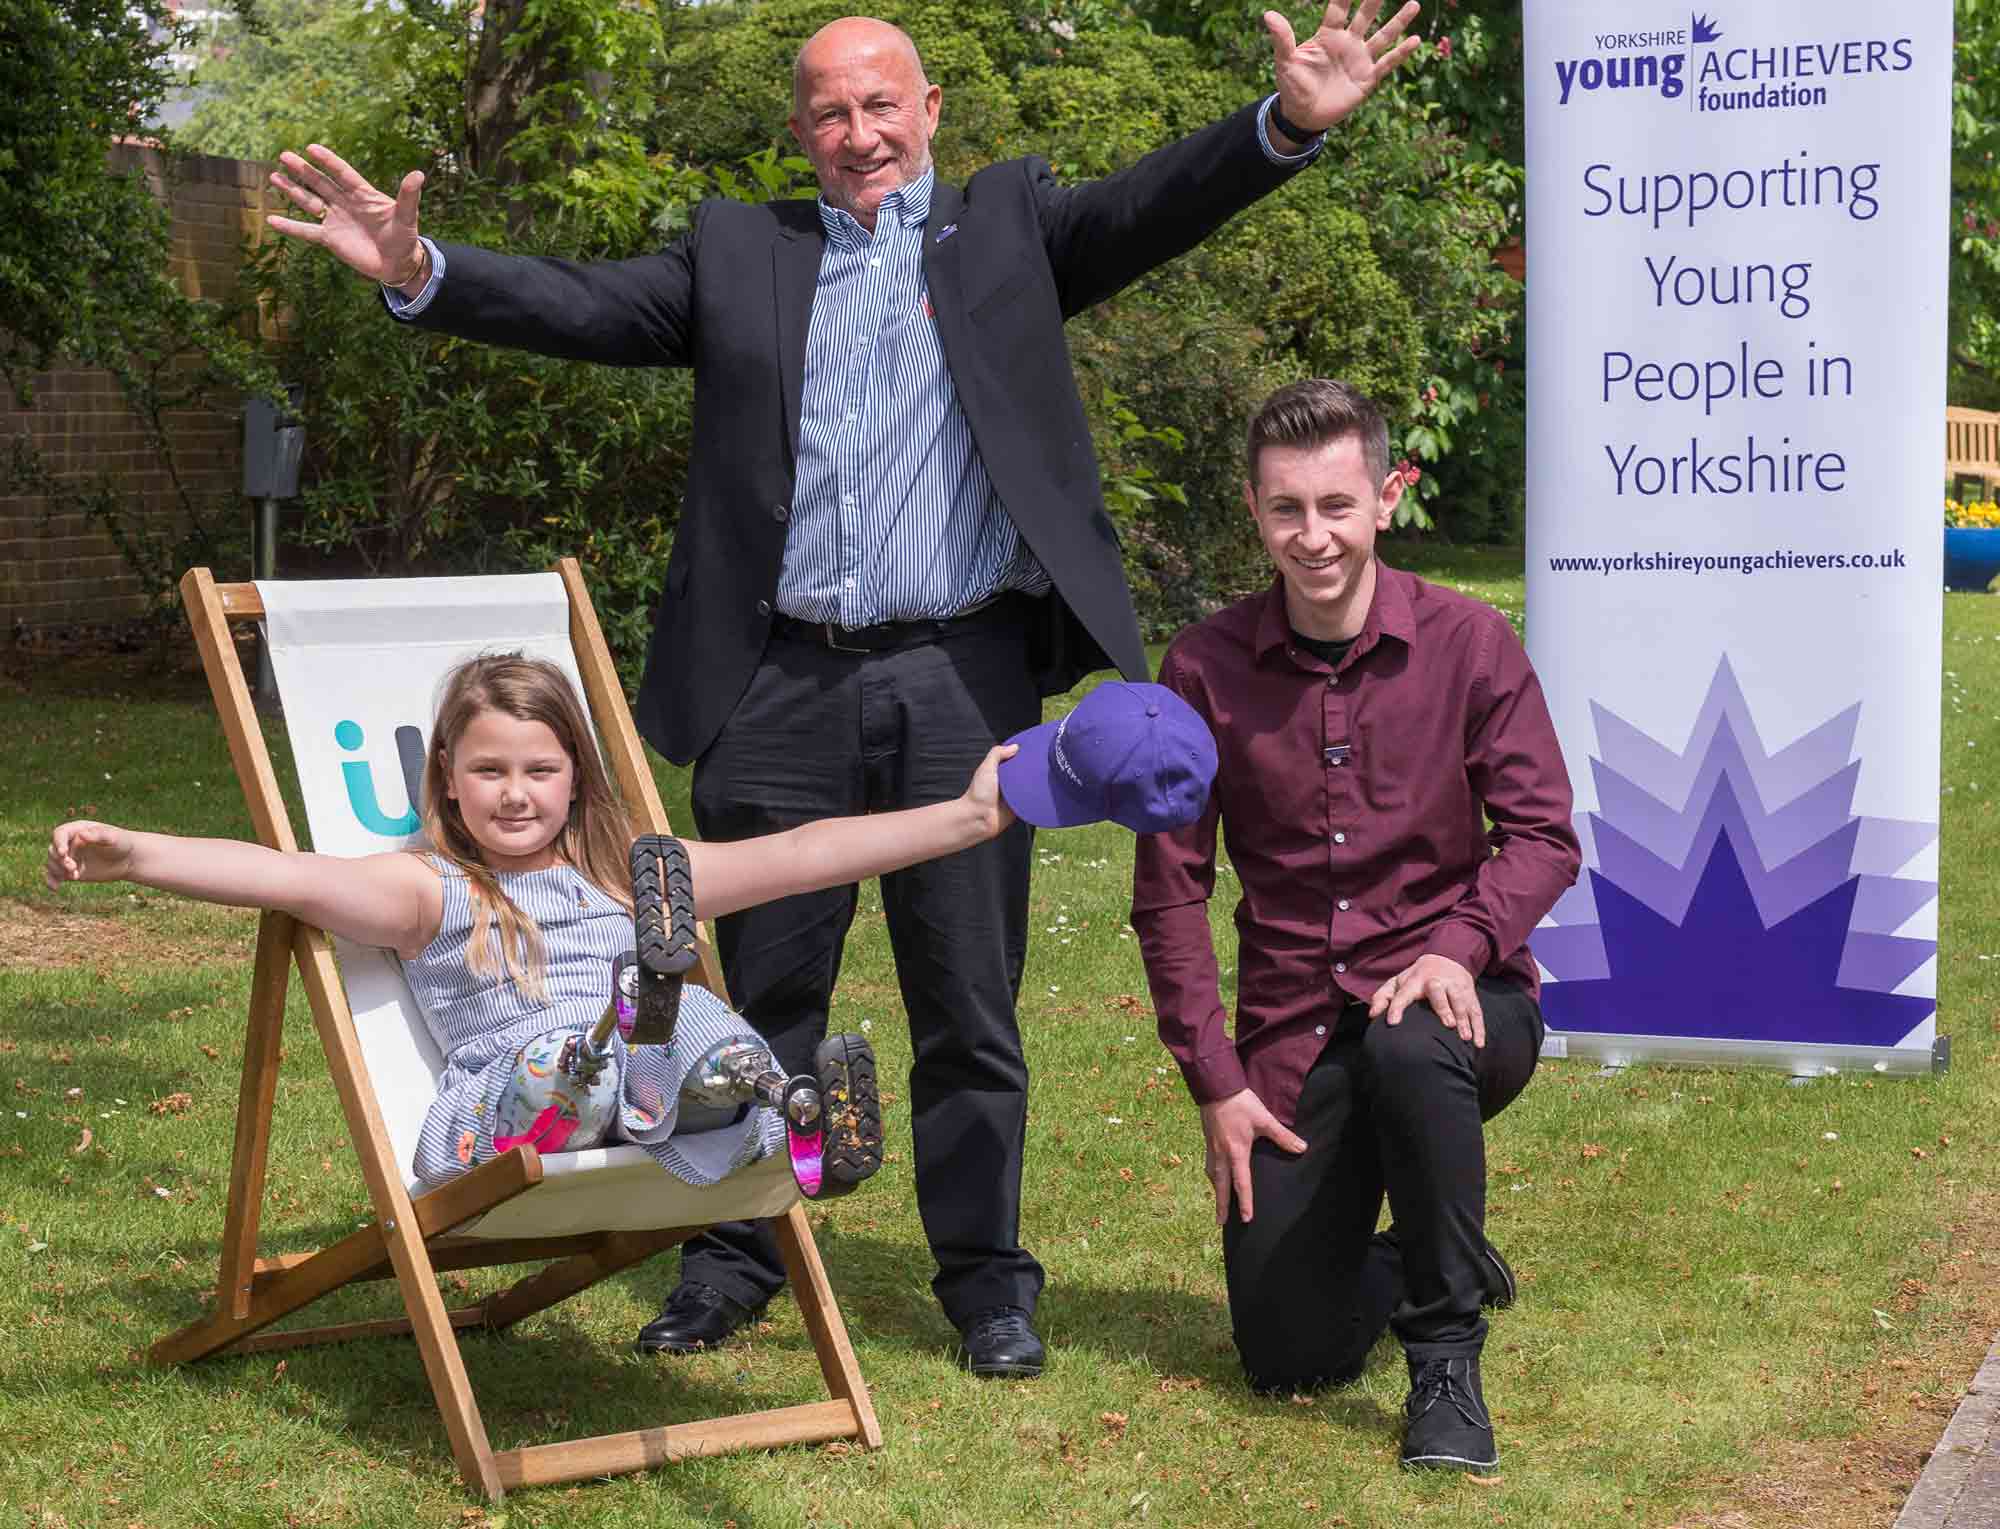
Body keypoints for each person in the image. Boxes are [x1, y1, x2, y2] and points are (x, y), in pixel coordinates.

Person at [258, 1, 1425, 1377]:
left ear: (929, 111)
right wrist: (425, 270)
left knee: (969, 1001)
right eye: (829, 112)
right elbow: (585, 304)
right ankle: (733, 1257)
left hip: (960, 666)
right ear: (800, 132)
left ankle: (986, 1278)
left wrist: (1285, 123)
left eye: (883, 106)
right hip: (776, 679)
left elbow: (1153, 205)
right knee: (752, 994)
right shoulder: (741, 251)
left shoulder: (1009, 231)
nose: (860, 134)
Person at [45, 654, 1016, 1206]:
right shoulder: (427, 887)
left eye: (540, 770)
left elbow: (805, 852)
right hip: (511, 1104)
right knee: (584, 1050)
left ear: (575, 780)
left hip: (659, 1083)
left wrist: (964, 817)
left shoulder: (630, 877)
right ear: (449, 782)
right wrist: (136, 852)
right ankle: (646, 1062)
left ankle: (774, 1100)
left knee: (694, 1024)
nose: (514, 793)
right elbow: (284, 873)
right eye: (489, 770)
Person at [1131, 380, 1580, 1471]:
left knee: (1407, 1033)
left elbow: (1541, 834)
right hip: (1291, 1031)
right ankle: (1439, 1251)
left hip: (1466, 1007)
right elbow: (1167, 891)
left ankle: (1444, 1358)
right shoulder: (1199, 668)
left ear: (1386, 495)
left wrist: (1456, 944)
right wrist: (1216, 1080)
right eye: (1286, 509)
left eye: (1335, 505)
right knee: (1285, 1353)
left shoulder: (1469, 643)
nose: (1312, 535)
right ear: (1253, 509)